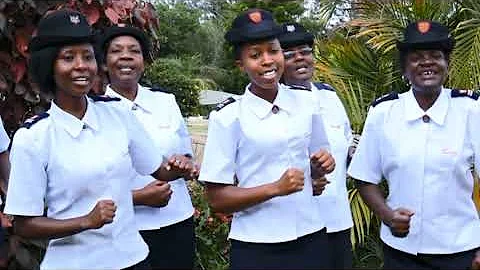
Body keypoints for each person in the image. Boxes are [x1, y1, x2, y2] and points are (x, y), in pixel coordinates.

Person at [3, 9, 196, 270]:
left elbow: (159, 170)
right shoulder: (34, 138)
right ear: (49, 66)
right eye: (68, 58)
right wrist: (85, 221)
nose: (81, 65)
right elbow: (24, 225)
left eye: (88, 56)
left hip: (134, 259)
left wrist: (177, 167)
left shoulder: (118, 114)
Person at [199, 9, 335, 270]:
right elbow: (216, 198)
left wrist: (322, 165)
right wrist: (275, 188)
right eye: (255, 55)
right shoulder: (228, 117)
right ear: (241, 65)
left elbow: (319, 166)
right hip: (257, 244)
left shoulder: (307, 102)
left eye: (273, 50)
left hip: (310, 235)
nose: (267, 60)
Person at [348, 20, 480, 269]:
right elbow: (364, 177)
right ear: (404, 68)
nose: (427, 62)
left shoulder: (471, 110)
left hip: (460, 249)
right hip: (401, 250)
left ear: (446, 64)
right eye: (417, 57)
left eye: (435, 56)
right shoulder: (383, 112)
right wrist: (387, 216)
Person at [99, 25, 196, 269]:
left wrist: (184, 163)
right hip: (125, 228)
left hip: (178, 223)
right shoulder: (95, 112)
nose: (126, 56)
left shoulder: (166, 101)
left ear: (143, 61)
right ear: (103, 63)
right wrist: (138, 198)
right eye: (116, 51)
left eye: (135, 51)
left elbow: (187, 156)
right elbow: (88, 186)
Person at [278, 22, 353, 269]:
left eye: (305, 51)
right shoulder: (272, 104)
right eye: (289, 54)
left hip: (338, 221)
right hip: (296, 228)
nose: (299, 58)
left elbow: (346, 146)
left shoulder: (329, 97)